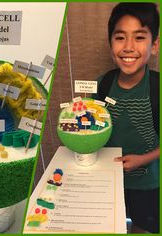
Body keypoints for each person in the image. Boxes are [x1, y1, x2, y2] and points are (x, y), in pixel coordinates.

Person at [94, 3, 160, 233]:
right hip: (109, 180)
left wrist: (144, 159)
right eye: (120, 37)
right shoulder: (102, 83)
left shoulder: (157, 87)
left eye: (139, 37)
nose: (129, 47)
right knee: (111, 225)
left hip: (148, 184)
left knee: (143, 227)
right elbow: (95, 127)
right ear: (111, 43)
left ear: (154, 45)